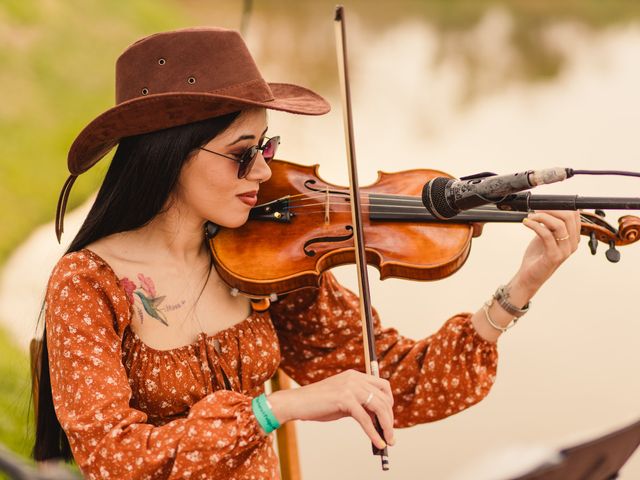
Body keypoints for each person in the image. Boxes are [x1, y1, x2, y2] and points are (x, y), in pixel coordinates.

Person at [34, 27, 581, 479]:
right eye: (242, 154)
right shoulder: (88, 283)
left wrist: (520, 288)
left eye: (267, 147)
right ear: (169, 152)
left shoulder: (267, 257)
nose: (264, 172)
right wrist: (277, 408)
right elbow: (114, 459)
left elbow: (403, 384)